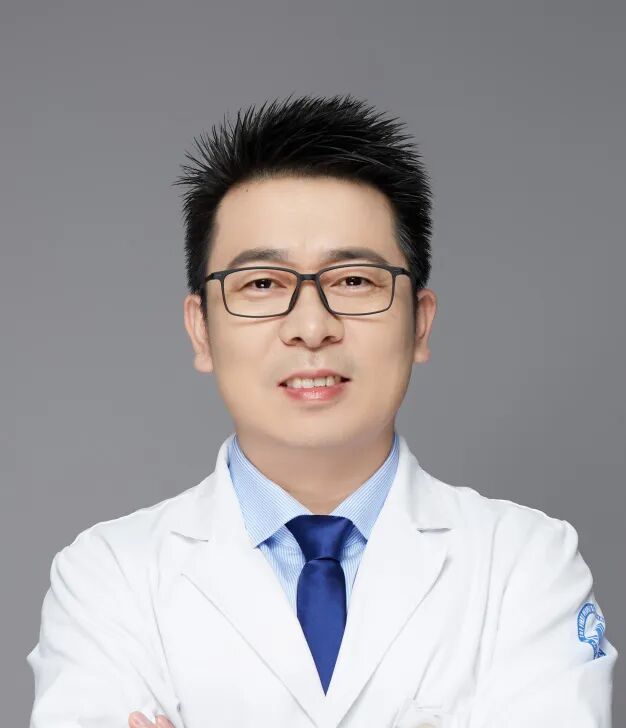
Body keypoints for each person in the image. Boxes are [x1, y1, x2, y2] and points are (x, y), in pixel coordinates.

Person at [27, 94, 617, 728]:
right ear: (201, 330)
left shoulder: (525, 563)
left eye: (354, 281)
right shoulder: (107, 576)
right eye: (262, 284)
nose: (311, 327)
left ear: (419, 323)